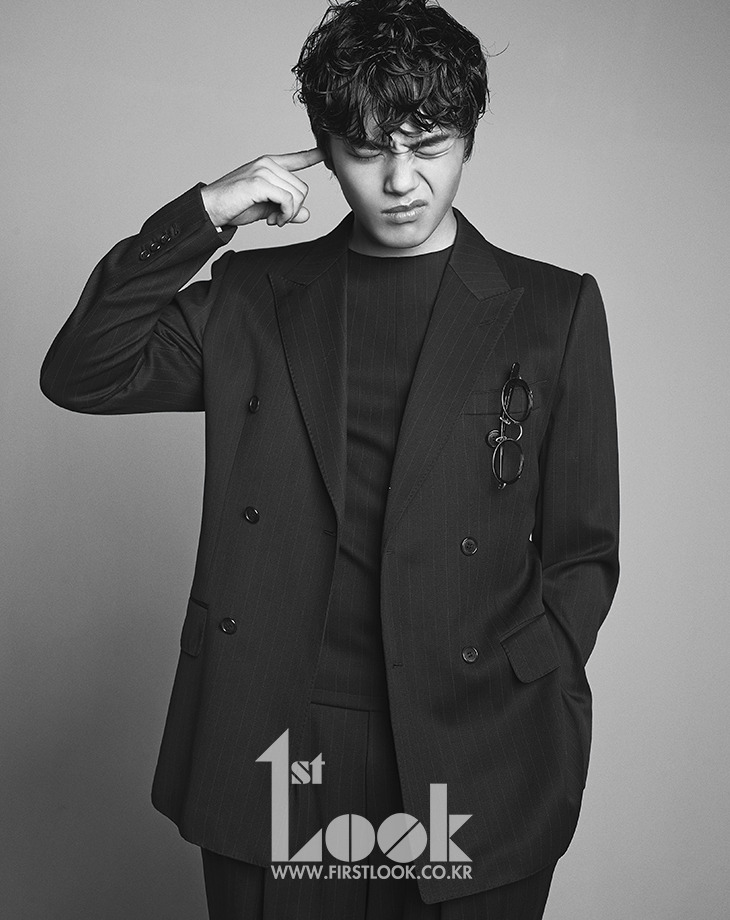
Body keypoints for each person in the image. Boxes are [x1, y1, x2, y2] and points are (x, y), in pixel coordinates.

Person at [40, 0, 620, 917]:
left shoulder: (553, 310)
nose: (401, 180)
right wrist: (204, 215)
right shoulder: (253, 298)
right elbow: (83, 372)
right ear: (324, 148)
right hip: (277, 740)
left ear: (469, 139)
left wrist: (528, 676)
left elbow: (585, 548)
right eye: (367, 150)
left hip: (477, 735)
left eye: (429, 146)